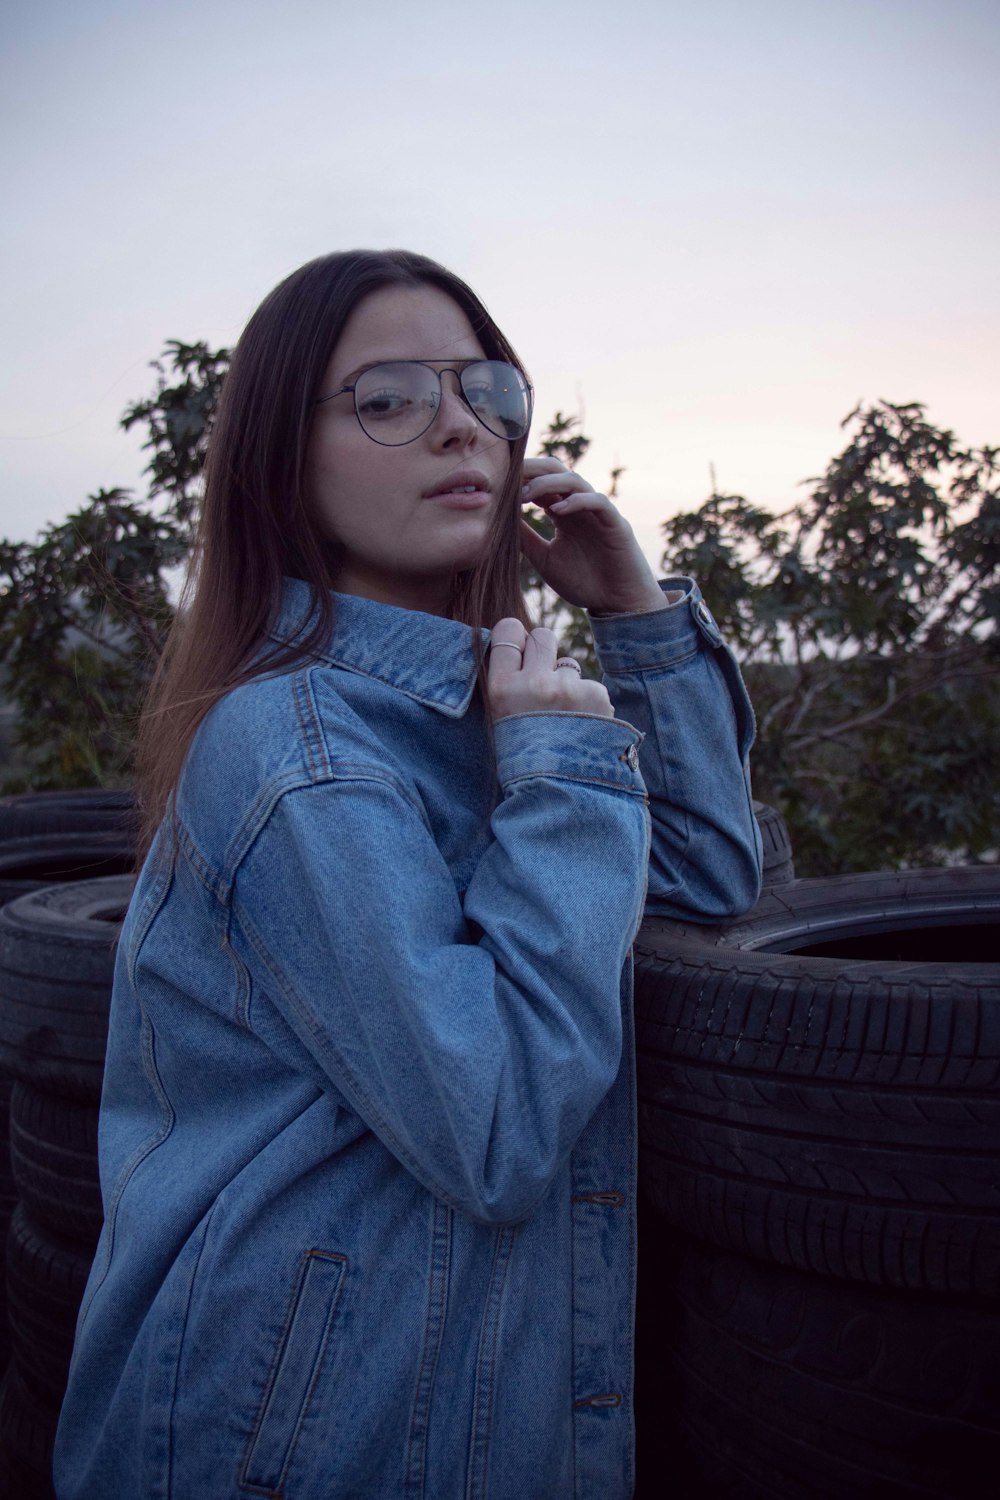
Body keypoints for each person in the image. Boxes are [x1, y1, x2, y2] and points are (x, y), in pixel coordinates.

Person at [53, 249, 761, 1499]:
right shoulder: (297, 746)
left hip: (470, 1394)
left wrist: (636, 617)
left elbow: (700, 883)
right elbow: (493, 1126)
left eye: (485, 387)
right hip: (305, 1431)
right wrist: (556, 767)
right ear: (283, 452)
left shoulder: (479, 704)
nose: (461, 425)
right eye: (389, 396)